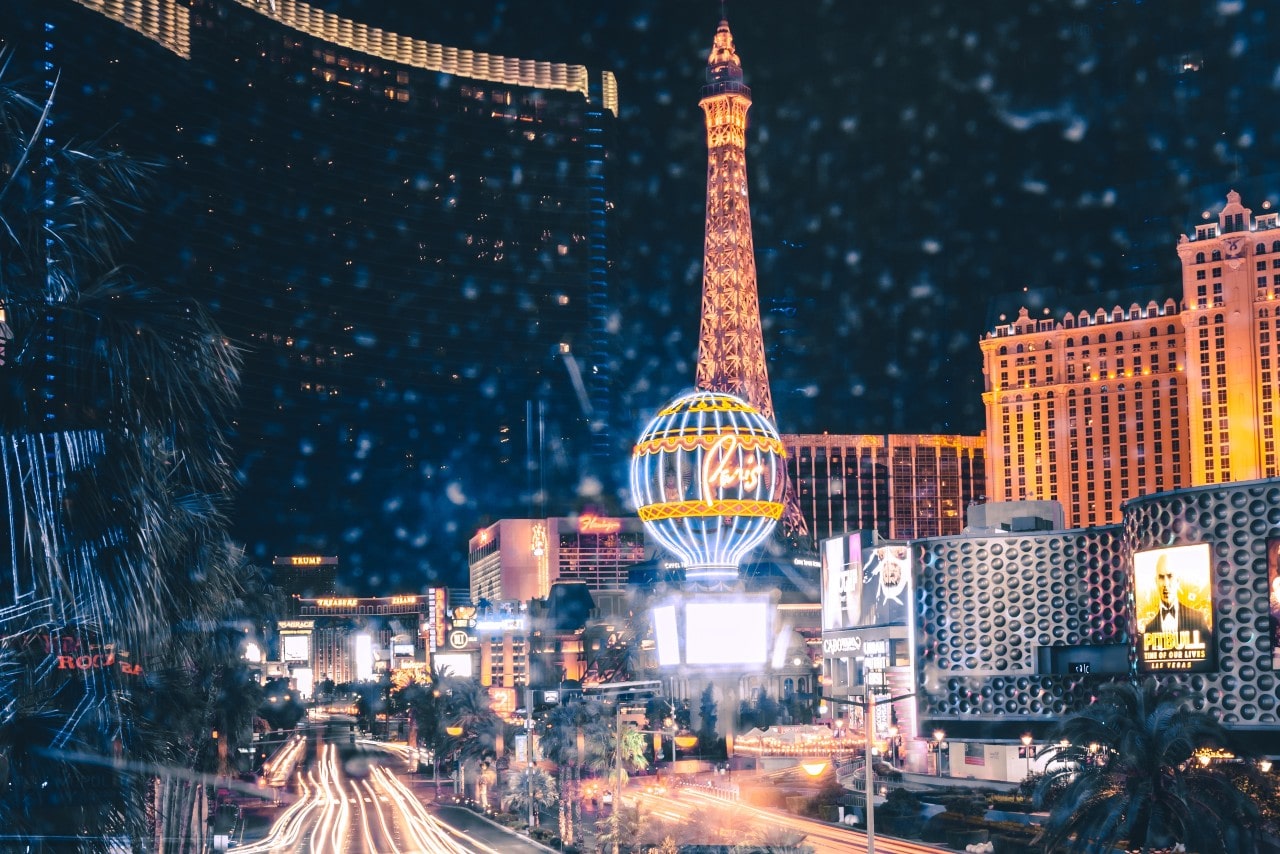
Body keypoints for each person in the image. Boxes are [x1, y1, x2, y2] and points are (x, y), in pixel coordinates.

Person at [1143, 552, 1211, 637]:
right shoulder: (1149, 628)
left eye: (1170, 576)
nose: (1165, 584)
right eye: (1161, 577)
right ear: (1156, 581)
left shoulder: (1198, 619)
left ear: (1178, 580)